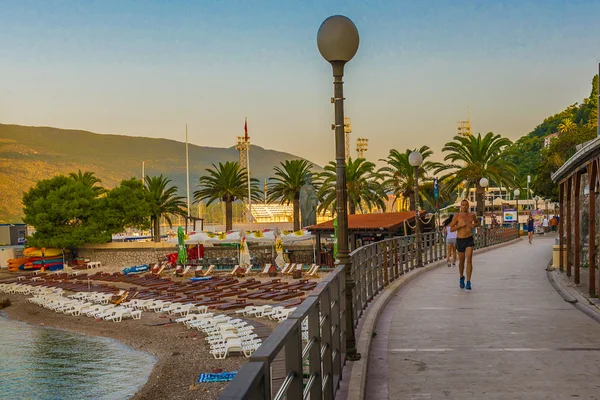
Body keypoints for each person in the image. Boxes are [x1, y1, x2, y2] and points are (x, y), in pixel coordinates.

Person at [449, 199, 478, 290]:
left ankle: (468, 282)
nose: (464, 206)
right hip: (460, 240)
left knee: (469, 259)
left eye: (466, 205)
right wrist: (460, 225)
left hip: (469, 239)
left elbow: (477, 222)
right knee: (462, 261)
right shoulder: (457, 216)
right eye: (463, 205)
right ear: (460, 206)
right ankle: (462, 277)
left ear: (468, 206)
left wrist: (474, 225)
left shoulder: (472, 215)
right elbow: (451, 229)